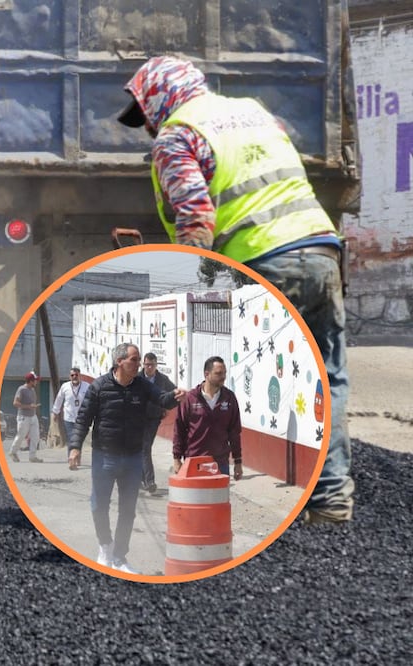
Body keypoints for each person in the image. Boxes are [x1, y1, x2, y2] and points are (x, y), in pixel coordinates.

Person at [118, 56, 353, 524]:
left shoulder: (177, 135)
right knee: (328, 378)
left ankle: (230, 496)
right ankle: (329, 501)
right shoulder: (256, 113)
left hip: (263, 260)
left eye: (145, 115)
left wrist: (191, 278)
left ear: (163, 98)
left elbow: (195, 215)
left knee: (255, 375)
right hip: (320, 251)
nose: (146, 127)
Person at [68, 343, 184, 574]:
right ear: (119, 361)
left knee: (128, 509)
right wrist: (75, 447)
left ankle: (120, 557)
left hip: (132, 458)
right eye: (134, 359)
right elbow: (83, 419)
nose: (138, 363)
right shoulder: (99, 387)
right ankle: (105, 547)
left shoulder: (142, 386)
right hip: (104, 457)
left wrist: (175, 396)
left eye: (139, 359)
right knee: (99, 505)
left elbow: (162, 399)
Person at [173, 356, 243, 480]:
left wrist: (238, 462)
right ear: (207, 374)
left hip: (220, 463)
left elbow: (234, 432)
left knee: (219, 499)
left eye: (224, 373)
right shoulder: (190, 398)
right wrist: (177, 458)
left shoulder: (229, 398)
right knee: (195, 499)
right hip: (194, 461)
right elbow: (179, 429)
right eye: (218, 373)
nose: (223, 377)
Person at [138, 352, 176, 495]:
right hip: (137, 418)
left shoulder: (162, 380)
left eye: (152, 365)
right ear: (143, 364)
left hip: (153, 418)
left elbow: (173, 393)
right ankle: (147, 481)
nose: (149, 367)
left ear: (156, 365)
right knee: (142, 449)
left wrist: (165, 406)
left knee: (145, 448)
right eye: (147, 364)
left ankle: (145, 480)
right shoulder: (137, 378)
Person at [50, 367, 90, 454]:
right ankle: (71, 458)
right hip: (68, 418)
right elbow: (59, 400)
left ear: (80, 376)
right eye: (72, 375)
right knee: (72, 438)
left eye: (76, 375)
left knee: (78, 439)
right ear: (70, 377)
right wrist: (55, 413)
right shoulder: (65, 386)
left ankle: (76, 456)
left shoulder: (87, 386)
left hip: (82, 418)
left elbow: (92, 400)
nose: (74, 377)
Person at [9, 371, 43, 463]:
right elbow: (15, 403)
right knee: (21, 436)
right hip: (23, 417)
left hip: (33, 416)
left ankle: (32, 456)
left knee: (35, 436)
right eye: (35, 380)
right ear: (31, 381)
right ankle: (13, 452)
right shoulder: (21, 389)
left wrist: (34, 407)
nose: (36, 382)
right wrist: (29, 406)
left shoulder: (32, 390)